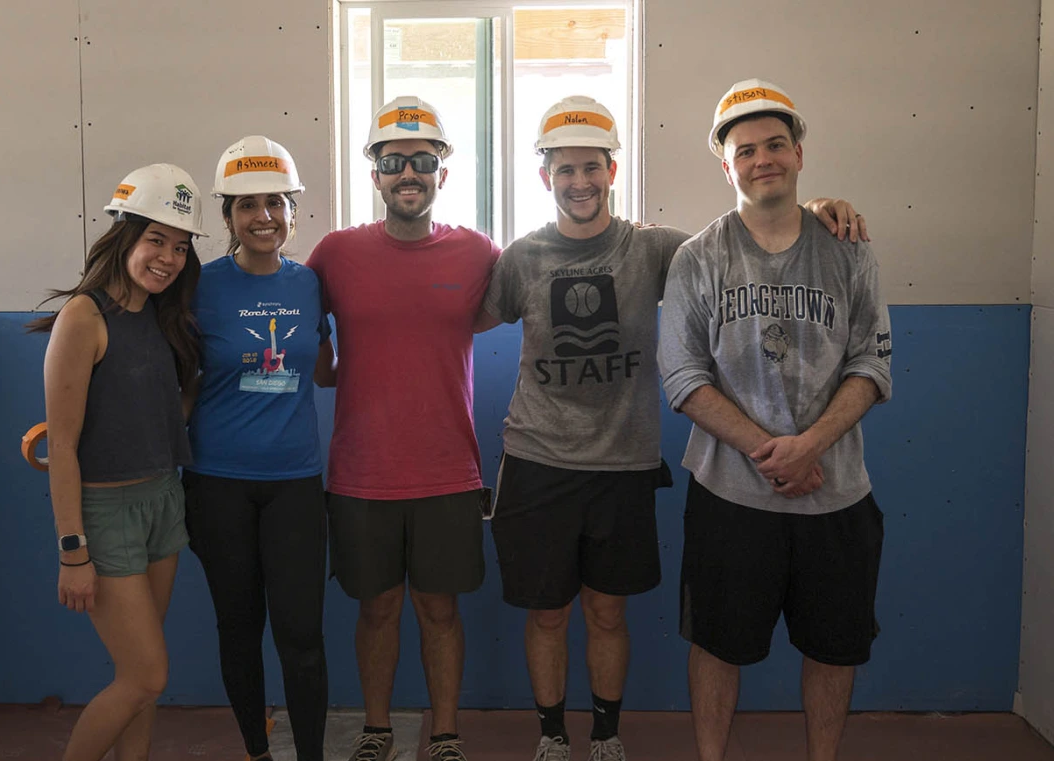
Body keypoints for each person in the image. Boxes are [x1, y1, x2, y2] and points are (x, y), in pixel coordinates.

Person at [475, 95, 867, 761]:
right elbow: (471, 320)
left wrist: (818, 206)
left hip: (622, 462)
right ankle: (550, 736)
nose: (579, 182)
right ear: (545, 177)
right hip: (536, 458)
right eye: (565, 169)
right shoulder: (520, 257)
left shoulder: (657, 248)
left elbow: (749, 236)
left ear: (612, 170)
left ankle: (603, 734)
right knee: (546, 613)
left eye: (591, 167)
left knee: (606, 612)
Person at [657, 79, 891, 761]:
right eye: (747, 148)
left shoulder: (848, 244)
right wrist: (773, 452)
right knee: (716, 644)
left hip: (837, 493)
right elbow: (683, 377)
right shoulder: (698, 257)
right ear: (724, 164)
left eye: (776, 145)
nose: (764, 159)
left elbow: (873, 364)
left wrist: (810, 445)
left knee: (833, 647)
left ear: (798, 153)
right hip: (731, 496)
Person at [306, 96, 500, 761]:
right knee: (377, 610)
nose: (407, 173)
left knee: (440, 611)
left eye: (422, 160)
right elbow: (302, 335)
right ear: (375, 174)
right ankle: (378, 727)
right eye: (394, 162)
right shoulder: (334, 253)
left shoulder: (479, 253)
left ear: (442, 172)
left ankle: (444, 732)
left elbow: (558, 266)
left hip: (449, 471)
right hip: (361, 473)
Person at [27, 163, 205, 761]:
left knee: (141, 684)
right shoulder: (85, 316)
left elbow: (166, 413)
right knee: (145, 676)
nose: (168, 257)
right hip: (104, 516)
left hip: (162, 500)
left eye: (180, 246)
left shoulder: (165, 315)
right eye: (156, 239)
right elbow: (65, 448)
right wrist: (72, 550)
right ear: (124, 234)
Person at [183, 135, 336, 761]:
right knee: (239, 631)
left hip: (296, 483)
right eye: (246, 205)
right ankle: (257, 752)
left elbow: (326, 368)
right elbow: (178, 378)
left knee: (301, 634)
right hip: (216, 483)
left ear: (293, 211)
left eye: (275, 202)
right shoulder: (198, 286)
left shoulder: (311, 286)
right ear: (226, 218)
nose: (263, 216)